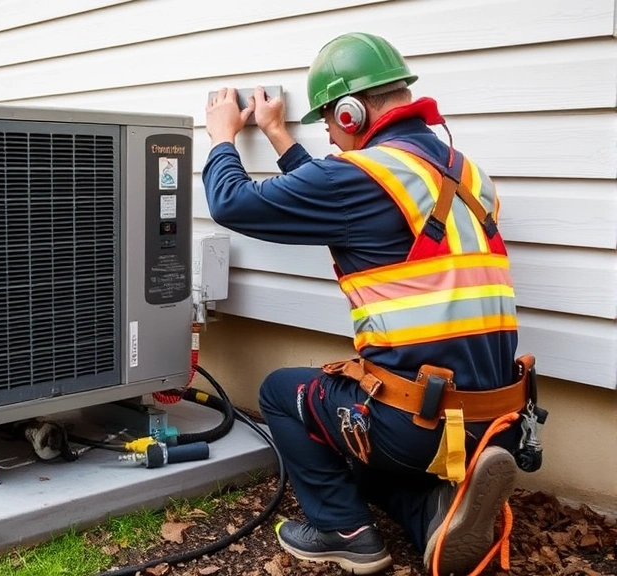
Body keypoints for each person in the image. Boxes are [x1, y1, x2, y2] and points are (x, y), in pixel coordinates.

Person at [203, 32, 538, 575]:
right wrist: (276, 133)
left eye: (330, 125)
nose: (332, 142)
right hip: (493, 417)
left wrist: (223, 138)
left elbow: (232, 202)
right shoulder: (468, 174)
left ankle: (345, 531)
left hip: (414, 421)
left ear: (352, 112)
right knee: (358, 439)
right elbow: (337, 195)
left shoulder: (359, 175)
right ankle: (433, 512)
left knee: (282, 393)